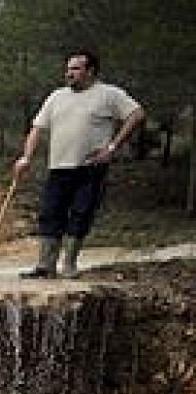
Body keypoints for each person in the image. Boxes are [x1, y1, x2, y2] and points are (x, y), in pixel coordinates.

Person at [14, 50, 145, 279]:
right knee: (50, 213)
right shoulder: (56, 97)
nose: (69, 73)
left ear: (90, 71)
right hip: (58, 166)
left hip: (90, 167)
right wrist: (26, 157)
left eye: (75, 69)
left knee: (81, 213)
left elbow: (137, 114)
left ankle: (69, 265)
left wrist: (112, 147)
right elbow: (37, 129)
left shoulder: (108, 94)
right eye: (68, 69)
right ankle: (45, 266)